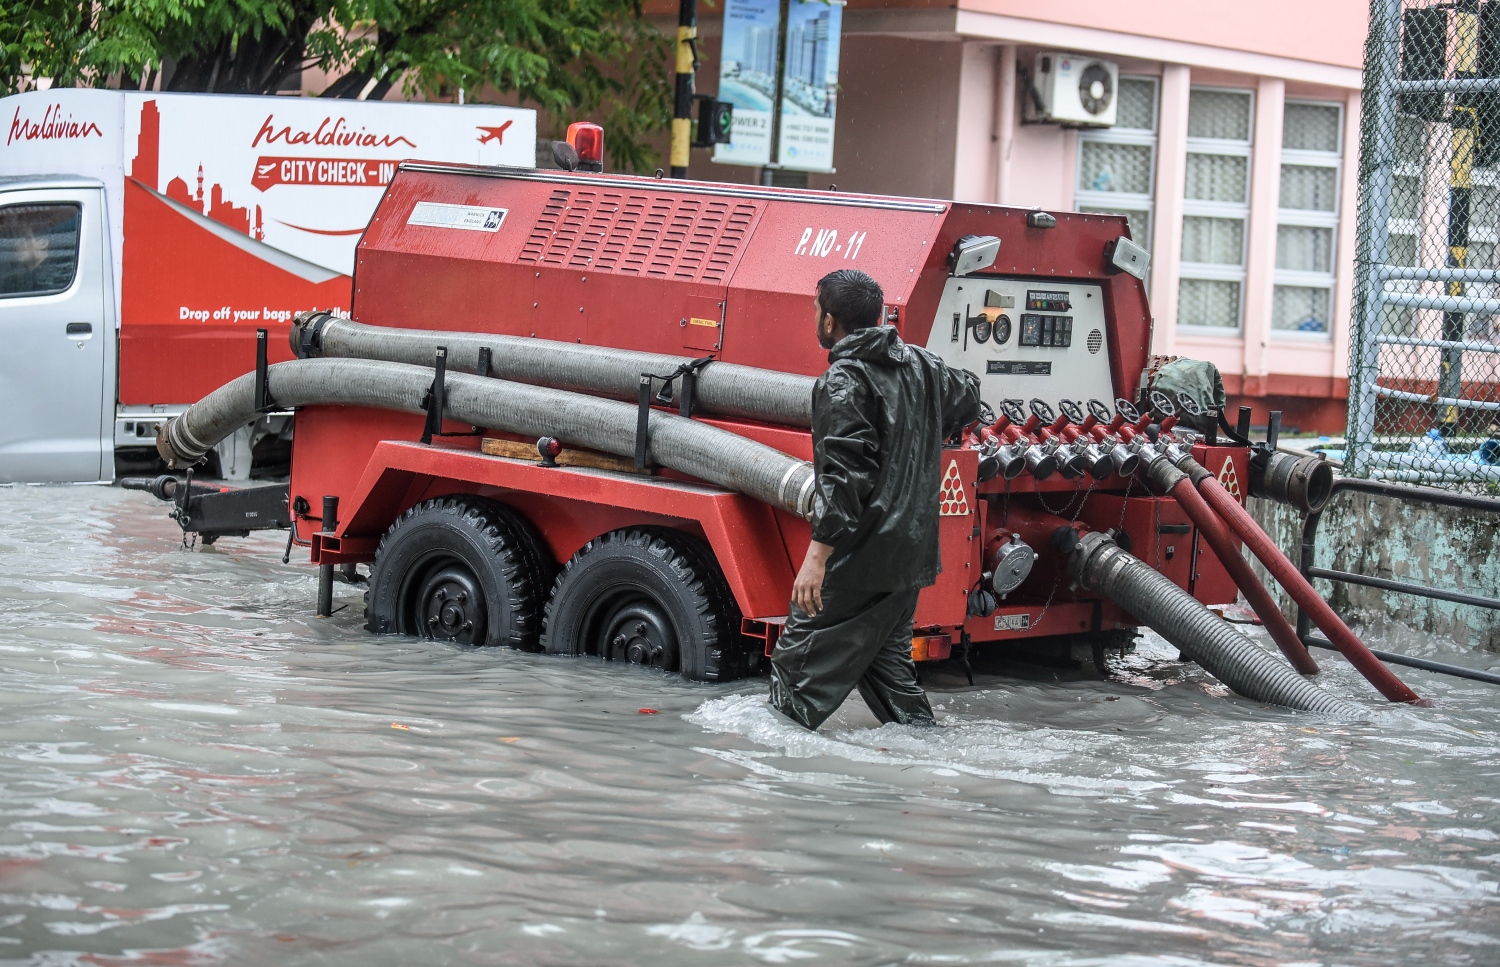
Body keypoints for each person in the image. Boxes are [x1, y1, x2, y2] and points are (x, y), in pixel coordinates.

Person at [769, 269, 982, 731]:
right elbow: (970, 395)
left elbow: (844, 478)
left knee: (794, 671)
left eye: (815, 310)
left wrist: (817, 557)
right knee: (889, 673)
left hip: (861, 558)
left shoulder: (843, 381)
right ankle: (928, 758)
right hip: (912, 555)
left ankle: (775, 783)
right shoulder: (924, 365)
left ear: (830, 321)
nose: (814, 318)